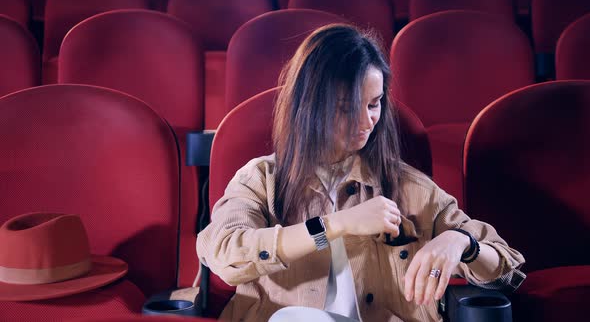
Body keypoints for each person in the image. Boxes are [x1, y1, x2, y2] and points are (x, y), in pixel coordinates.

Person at [196, 24, 525, 322]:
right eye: (347, 107)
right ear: (311, 107)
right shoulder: (260, 180)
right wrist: (337, 225)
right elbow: (224, 253)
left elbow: (507, 271)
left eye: (374, 103)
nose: (368, 120)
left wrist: (462, 242)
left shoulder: (409, 186)